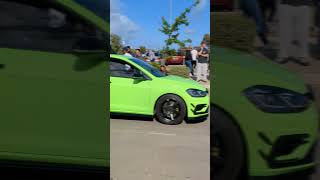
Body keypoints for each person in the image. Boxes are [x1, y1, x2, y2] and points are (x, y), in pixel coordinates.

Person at [276, 0, 313, 66]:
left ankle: (303, 56)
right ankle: (283, 55)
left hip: (304, 3)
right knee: (284, 31)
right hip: (284, 3)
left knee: (303, 32)